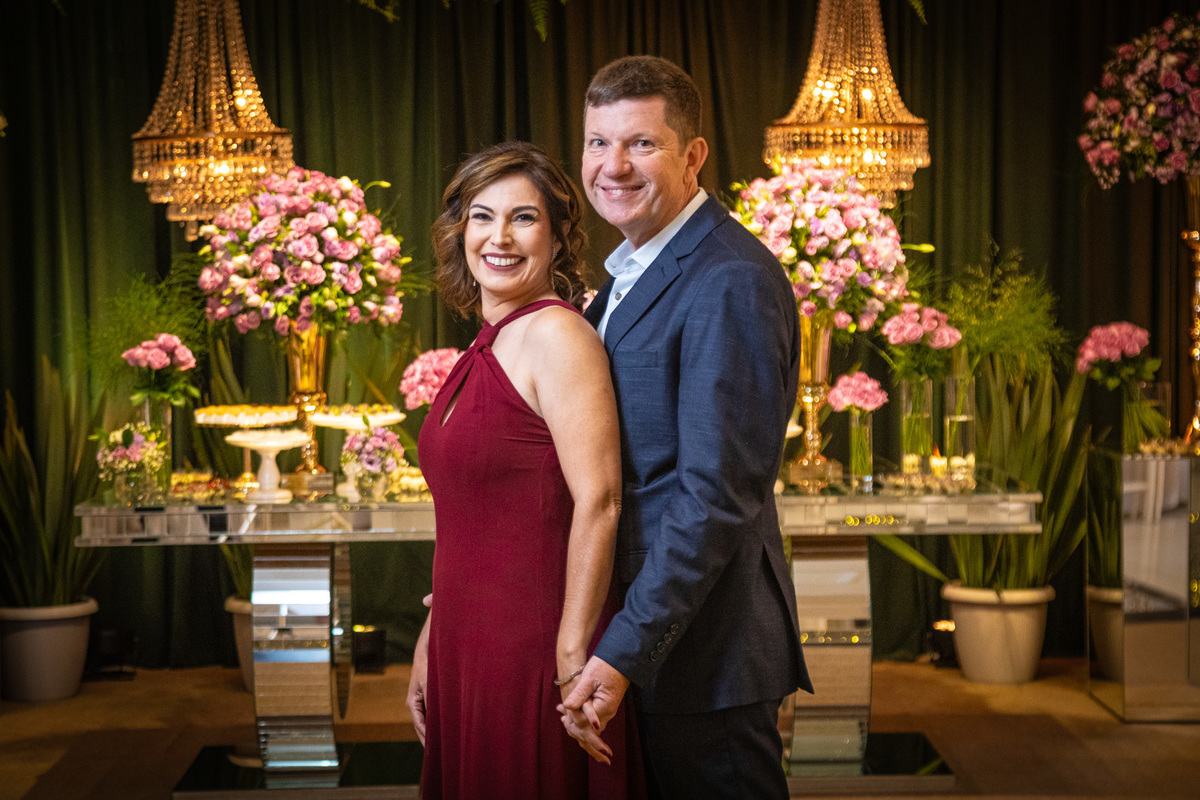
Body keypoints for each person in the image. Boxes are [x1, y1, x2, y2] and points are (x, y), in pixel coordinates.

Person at [559, 55, 813, 799]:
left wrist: (625, 648)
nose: (613, 166)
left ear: (693, 154)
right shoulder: (631, 272)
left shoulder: (729, 278)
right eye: (598, 143)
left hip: (704, 654)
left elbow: (713, 496)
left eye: (642, 143)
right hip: (653, 641)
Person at [408, 141, 645, 799]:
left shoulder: (556, 337)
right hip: (467, 639)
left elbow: (601, 501)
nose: (500, 237)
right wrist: (432, 633)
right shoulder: (489, 340)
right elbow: (473, 522)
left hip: (532, 644)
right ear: (460, 231)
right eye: (482, 217)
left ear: (558, 236)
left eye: (524, 218)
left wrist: (571, 656)